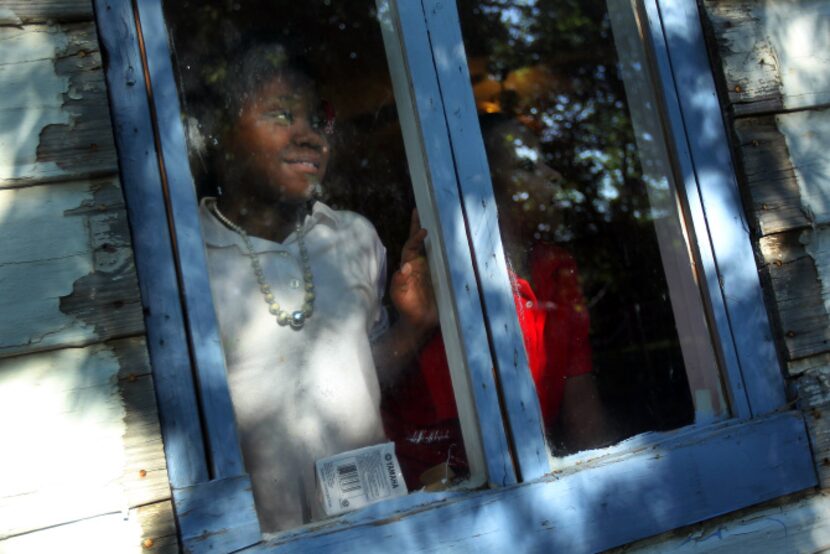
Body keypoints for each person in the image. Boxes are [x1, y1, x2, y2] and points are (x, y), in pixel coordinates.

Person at [199, 43, 436, 532]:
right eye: (281, 114)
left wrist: (412, 327)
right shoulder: (189, 259)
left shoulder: (353, 238)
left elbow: (367, 375)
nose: (309, 135)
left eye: (318, 118)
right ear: (225, 136)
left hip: (374, 532)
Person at [382, 114, 609, 488]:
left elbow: (583, 411)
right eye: (526, 165)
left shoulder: (557, 270)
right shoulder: (442, 277)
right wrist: (414, 325)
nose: (552, 175)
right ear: (485, 190)